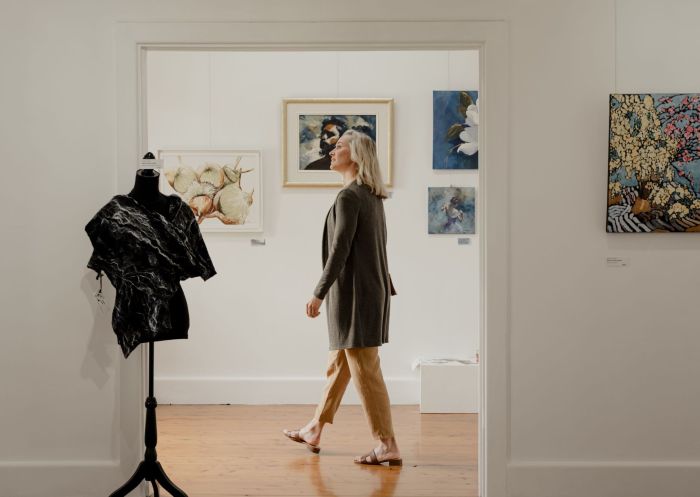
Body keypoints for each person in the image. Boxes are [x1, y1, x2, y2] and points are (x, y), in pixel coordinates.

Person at [283, 130, 402, 467]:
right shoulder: (371, 196)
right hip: (368, 291)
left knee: (365, 369)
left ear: (356, 155)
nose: (332, 152)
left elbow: (340, 251)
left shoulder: (351, 197)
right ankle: (315, 429)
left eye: (339, 147)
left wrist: (318, 292)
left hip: (355, 295)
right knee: (341, 364)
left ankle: (386, 443)